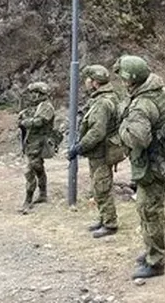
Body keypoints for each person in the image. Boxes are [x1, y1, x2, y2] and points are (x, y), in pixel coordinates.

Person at [117, 55, 165, 279]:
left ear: (130, 79)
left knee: (148, 210)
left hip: (153, 165)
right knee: (153, 208)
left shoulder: (142, 104)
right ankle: (152, 249)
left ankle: (155, 261)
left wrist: (121, 130)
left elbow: (139, 139)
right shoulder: (160, 89)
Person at [68, 65, 124, 238]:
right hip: (100, 150)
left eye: (88, 79)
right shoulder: (106, 97)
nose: (85, 82)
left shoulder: (102, 102)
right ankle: (104, 218)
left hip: (102, 151)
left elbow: (97, 132)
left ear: (95, 82)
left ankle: (110, 223)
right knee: (98, 186)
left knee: (101, 187)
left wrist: (80, 147)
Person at [18, 81, 56, 211]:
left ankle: (28, 200)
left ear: (40, 93)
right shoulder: (37, 106)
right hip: (32, 142)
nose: (32, 96)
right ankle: (43, 194)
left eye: (34, 93)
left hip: (40, 142)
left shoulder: (46, 107)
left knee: (30, 171)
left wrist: (25, 122)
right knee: (38, 168)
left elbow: (40, 121)